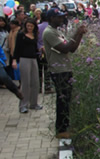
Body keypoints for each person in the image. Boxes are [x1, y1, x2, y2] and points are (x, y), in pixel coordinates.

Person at [43, 7, 87, 139]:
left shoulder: (56, 31)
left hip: (65, 69)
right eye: (59, 17)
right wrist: (77, 33)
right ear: (51, 18)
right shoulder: (49, 32)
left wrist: (80, 34)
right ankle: (61, 129)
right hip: (59, 71)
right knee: (62, 100)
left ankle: (65, 126)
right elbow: (65, 48)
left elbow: (72, 48)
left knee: (66, 99)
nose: (62, 19)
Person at [12, 18, 41, 113]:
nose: (29, 28)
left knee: (35, 82)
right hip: (24, 59)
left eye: (31, 26)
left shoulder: (35, 35)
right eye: (28, 26)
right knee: (25, 83)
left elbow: (35, 47)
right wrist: (14, 60)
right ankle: (23, 105)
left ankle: (34, 103)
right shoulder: (21, 35)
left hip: (33, 59)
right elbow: (17, 48)